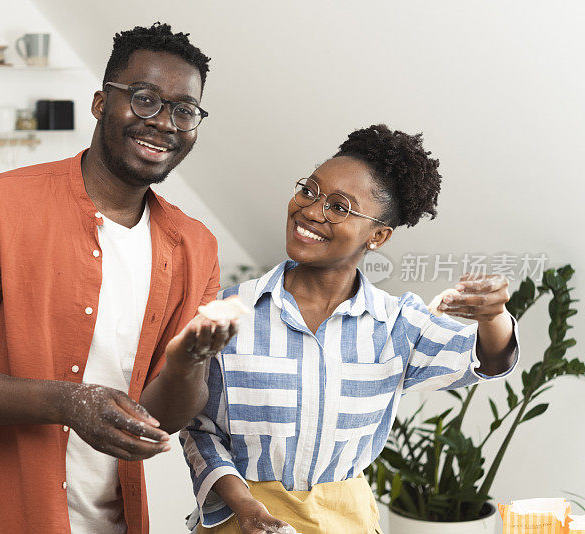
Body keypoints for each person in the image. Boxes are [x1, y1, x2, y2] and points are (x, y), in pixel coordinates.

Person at [0, 23, 238, 534]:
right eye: (145, 99)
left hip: (114, 521)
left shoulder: (195, 246)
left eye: (184, 110)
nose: (164, 123)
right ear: (102, 103)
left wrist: (188, 364)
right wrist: (69, 402)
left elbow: (162, 417)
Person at [180, 124, 519, 534]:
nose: (310, 210)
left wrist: (493, 315)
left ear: (377, 236)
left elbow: (488, 358)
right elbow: (198, 429)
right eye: (309, 191)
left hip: (346, 524)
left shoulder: (396, 325)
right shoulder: (230, 313)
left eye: (339, 207)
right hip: (239, 522)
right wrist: (244, 504)